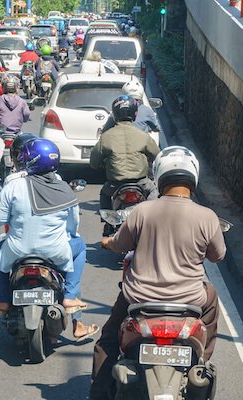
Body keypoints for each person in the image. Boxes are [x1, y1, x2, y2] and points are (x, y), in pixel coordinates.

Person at [89, 146, 226, 399]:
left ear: (159, 176)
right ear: (193, 178)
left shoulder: (142, 211)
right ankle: (200, 363)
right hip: (190, 301)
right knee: (212, 300)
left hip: (139, 300)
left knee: (108, 339)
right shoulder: (207, 217)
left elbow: (120, 244)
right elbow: (218, 256)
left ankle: (98, 394)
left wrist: (107, 242)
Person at [0, 138, 100, 341]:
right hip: (55, 252)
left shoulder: (15, 185)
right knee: (80, 246)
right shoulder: (64, 188)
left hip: (17, 251)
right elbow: (73, 227)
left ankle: (3, 300)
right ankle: (70, 297)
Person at [89, 95, 160, 222]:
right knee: (153, 191)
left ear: (115, 114)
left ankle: (108, 224)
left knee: (104, 195)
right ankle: (151, 222)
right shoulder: (143, 136)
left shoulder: (106, 137)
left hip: (114, 185)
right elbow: (157, 156)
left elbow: (94, 162)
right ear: (135, 114)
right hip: (141, 183)